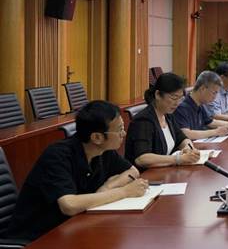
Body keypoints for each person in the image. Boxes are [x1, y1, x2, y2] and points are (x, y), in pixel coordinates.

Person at [7, 101, 148, 241]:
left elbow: (132, 171)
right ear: (97, 137)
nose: (124, 133)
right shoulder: (57, 155)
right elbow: (69, 205)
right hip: (36, 239)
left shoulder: (103, 150)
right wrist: (124, 192)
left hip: (73, 228)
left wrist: (107, 187)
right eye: (119, 130)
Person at [125, 72, 201, 169]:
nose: (177, 103)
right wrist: (178, 159)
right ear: (158, 95)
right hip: (147, 175)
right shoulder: (143, 121)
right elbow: (142, 159)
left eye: (180, 99)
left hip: (165, 171)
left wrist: (188, 148)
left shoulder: (168, 115)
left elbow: (182, 138)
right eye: (174, 98)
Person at [174, 70, 228, 140]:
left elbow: (211, 122)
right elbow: (186, 133)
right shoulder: (182, 106)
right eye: (214, 93)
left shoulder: (200, 104)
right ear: (203, 89)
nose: (215, 97)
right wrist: (215, 132)